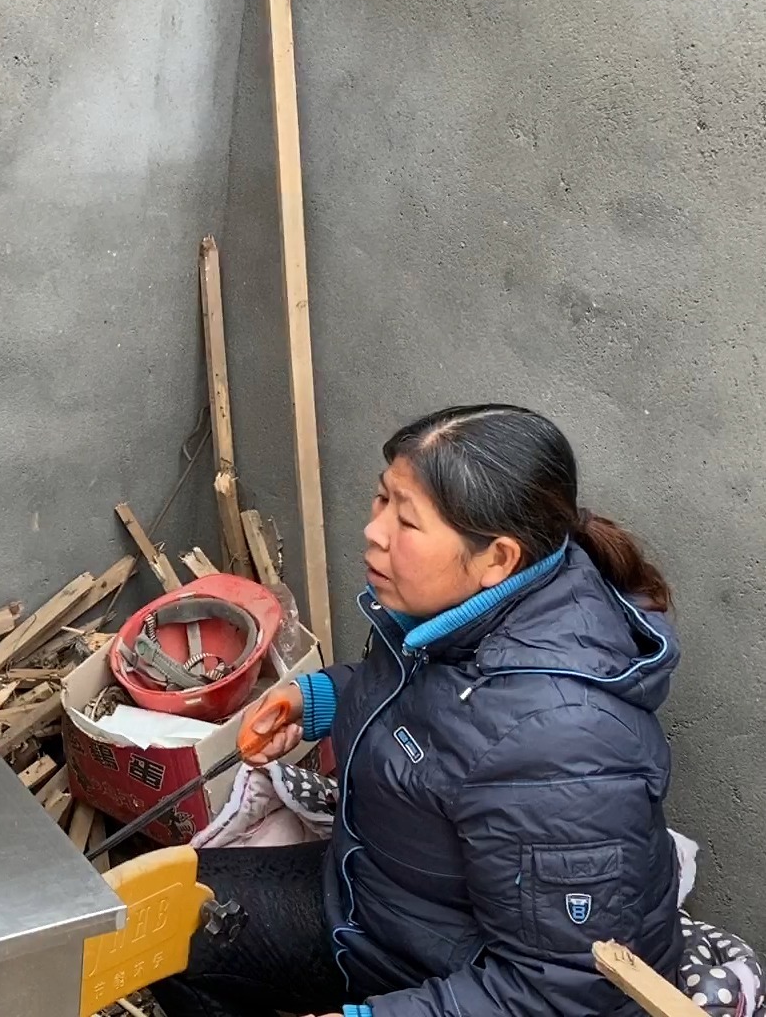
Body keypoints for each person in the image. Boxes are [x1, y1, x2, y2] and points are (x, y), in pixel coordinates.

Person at [150, 404, 682, 1017]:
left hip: (469, 977)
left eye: (406, 520)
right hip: (380, 910)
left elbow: (561, 990)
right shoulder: (456, 618)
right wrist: (319, 698)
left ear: (497, 559)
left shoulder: (560, 736)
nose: (375, 532)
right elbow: (426, 703)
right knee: (168, 922)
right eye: (382, 501)